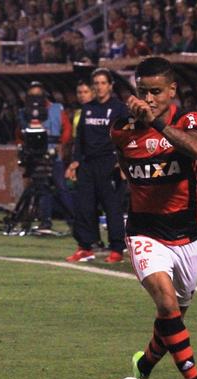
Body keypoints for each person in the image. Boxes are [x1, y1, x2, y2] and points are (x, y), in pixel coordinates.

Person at [108, 56, 197, 379]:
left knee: (172, 319)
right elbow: (125, 165)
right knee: (168, 306)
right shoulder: (121, 128)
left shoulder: (190, 120)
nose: (149, 98)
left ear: (172, 90)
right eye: (143, 91)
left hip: (187, 233)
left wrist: (155, 123)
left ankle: (144, 363)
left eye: (156, 91)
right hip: (145, 231)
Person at [65, 68, 127, 263]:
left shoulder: (119, 109)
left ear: (110, 86)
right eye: (96, 84)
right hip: (88, 164)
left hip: (110, 164)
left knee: (112, 207)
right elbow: (80, 138)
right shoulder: (87, 108)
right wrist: (75, 161)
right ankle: (85, 247)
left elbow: (127, 137)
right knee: (84, 207)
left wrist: (123, 161)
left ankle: (117, 248)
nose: (99, 87)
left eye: (103, 83)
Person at [18, 81, 73, 230]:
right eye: (32, 95)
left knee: (61, 187)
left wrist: (61, 143)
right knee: (41, 189)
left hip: (53, 153)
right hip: (35, 155)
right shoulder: (24, 112)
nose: (35, 98)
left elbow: (67, 128)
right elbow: (19, 133)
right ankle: (45, 221)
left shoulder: (56, 109)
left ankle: (73, 219)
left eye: (38, 94)